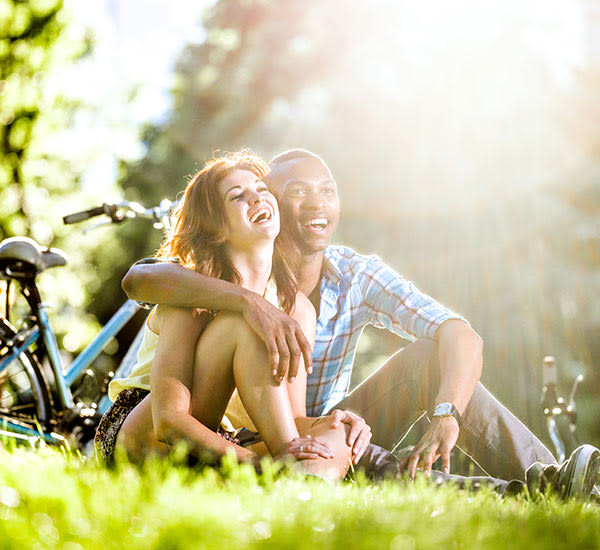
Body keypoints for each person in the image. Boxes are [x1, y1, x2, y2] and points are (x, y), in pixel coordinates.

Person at [120, 148, 596, 492]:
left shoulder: (340, 282)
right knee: (333, 443)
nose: (317, 203)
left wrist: (445, 413)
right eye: (298, 192)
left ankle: (556, 480)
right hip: (228, 430)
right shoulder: (212, 284)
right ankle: (511, 491)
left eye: (327, 191)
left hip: (304, 425)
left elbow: (460, 334)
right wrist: (247, 303)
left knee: (429, 360)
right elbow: (141, 279)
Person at [95, 151, 353, 481]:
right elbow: (168, 422)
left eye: (262, 190)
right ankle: (285, 477)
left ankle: (304, 494)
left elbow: (288, 421)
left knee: (336, 434)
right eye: (238, 196)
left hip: (212, 438)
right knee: (244, 325)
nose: (257, 198)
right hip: (141, 434)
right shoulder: (192, 294)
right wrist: (258, 464)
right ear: (217, 226)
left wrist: (330, 424)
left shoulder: (297, 308)